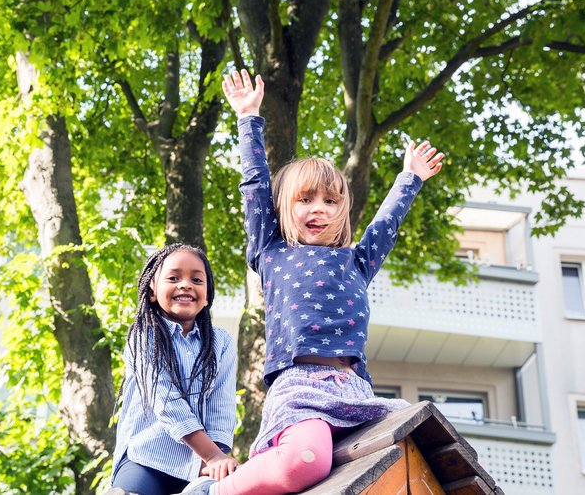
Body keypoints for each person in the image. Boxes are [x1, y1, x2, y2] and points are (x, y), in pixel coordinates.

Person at [182, 70, 444, 495]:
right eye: (305, 200)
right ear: (286, 207)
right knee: (307, 461)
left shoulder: (357, 261)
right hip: (300, 387)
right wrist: (248, 117)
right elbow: (254, 187)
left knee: (416, 444)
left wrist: (409, 178)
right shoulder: (272, 251)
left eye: (330, 201)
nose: (318, 209)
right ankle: (211, 492)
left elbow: (386, 224)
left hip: (356, 391)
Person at [111, 244, 239, 495]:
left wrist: (217, 459)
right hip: (146, 458)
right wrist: (211, 454)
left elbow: (221, 409)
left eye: (197, 279)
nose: (185, 284)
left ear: (208, 295)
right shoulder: (143, 337)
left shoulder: (221, 342)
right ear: (151, 291)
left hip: (198, 464)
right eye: (173, 277)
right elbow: (168, 402)